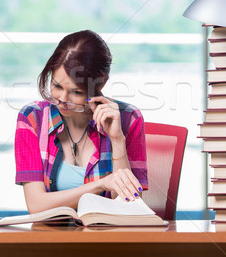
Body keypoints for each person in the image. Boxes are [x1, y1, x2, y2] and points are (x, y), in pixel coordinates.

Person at [14, 30, 147, 214]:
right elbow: (36, 206)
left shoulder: (128, 118)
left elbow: (127, 205)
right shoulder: (32, 118)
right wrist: (101, 185)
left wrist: (117, 140)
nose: (62, 99)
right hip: (51, 238)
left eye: (76, 92)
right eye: (57, 86)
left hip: (108, 238)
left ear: (100, 84)